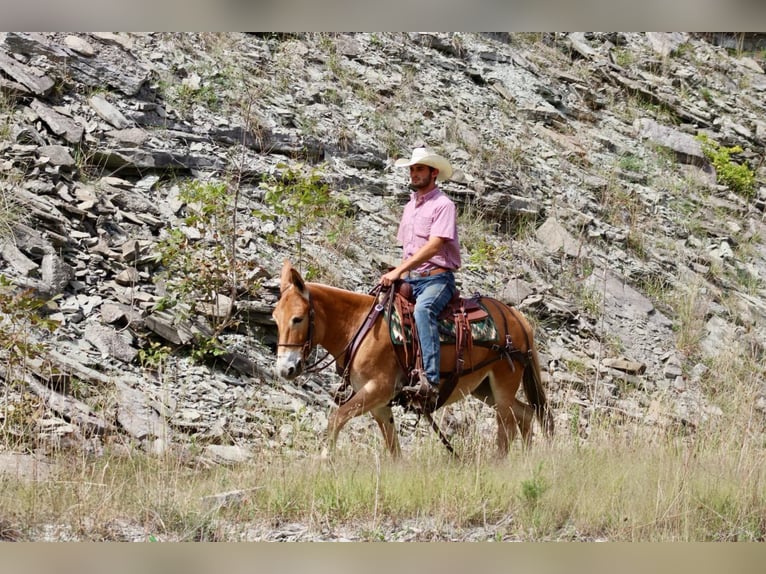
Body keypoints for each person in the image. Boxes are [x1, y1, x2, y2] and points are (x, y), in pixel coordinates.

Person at [380, 147, 461, 404]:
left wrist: (398, 272)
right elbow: (408, 249)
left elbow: (434, 246)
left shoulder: (443, 205)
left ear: (433, 173)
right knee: (379, 308)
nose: (414, 174)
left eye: (419, 169)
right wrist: (399, 274)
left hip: (437, 279)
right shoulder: (409, 208)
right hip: (412, 278)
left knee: (423, 311)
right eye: (412, 169)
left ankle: (430, 380)